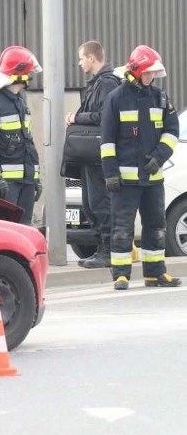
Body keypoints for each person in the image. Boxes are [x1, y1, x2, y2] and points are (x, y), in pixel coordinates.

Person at [101, 45, 181, 290]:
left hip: (152, 177)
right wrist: (111, 174)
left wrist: (159, 156)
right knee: (122, 227)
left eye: (154, 74)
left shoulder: (160, 97)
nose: (151, 77)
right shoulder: (116, 99)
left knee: (156, 226)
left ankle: (156, 273)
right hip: (125, 181)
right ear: (136, 71)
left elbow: (172, 131)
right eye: (148, 73)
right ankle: (121, 275)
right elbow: (107, 141)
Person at [65, 41, 121, 269]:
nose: (79, 63)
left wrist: (77, 118)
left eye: (81, 58)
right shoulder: (97, 83)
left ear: (91, 58)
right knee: (89, 204)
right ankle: (100, 249)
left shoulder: (107, 83)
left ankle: (108, 252)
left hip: (100, 154)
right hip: (91, 155)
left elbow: (103, 117)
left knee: (99, 203)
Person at [0, 46, 42, 225]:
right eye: (28, 71)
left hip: (25, 181)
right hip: (5, 184)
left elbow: (28, 142)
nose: (30, 76)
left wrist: (35, 176)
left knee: (24, 231)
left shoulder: (19, 101)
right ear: (18, 73)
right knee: (4, 230)